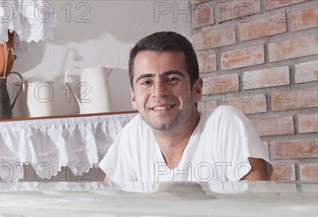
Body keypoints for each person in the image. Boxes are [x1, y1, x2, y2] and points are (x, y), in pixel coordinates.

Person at [99, 31, 272, 188]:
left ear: (196, 89)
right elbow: (103, 210)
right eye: (146, 82)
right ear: (133, 97)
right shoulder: (134, 133)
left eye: (172, 79)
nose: (159, 93)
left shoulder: (225, 124)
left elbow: (259, 214)